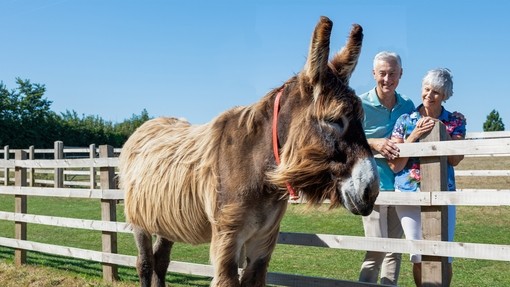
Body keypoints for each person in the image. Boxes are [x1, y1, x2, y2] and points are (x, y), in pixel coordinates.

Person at [388, 68, 466, 286]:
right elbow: (396, 165)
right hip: (408, 194)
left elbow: (455, 159)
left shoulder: (455, 121)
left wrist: (441, 130)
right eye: (427, 89)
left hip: (443, 194)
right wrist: (414, 135)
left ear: (445, 96)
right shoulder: (405, 120)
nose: (429, 96)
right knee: (418, 255)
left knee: (444, 255)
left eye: (436, 92)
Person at [358, 51, 415, 285]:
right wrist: (374, 143)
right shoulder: (360, 105)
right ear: (374, 74)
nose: (387, 79)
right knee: (376, 249)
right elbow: (348, 143)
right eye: (382, 73)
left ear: (400, 74)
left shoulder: (408, 105)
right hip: (372, 186)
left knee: (395, 249)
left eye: (392, 73)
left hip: (401, 187)